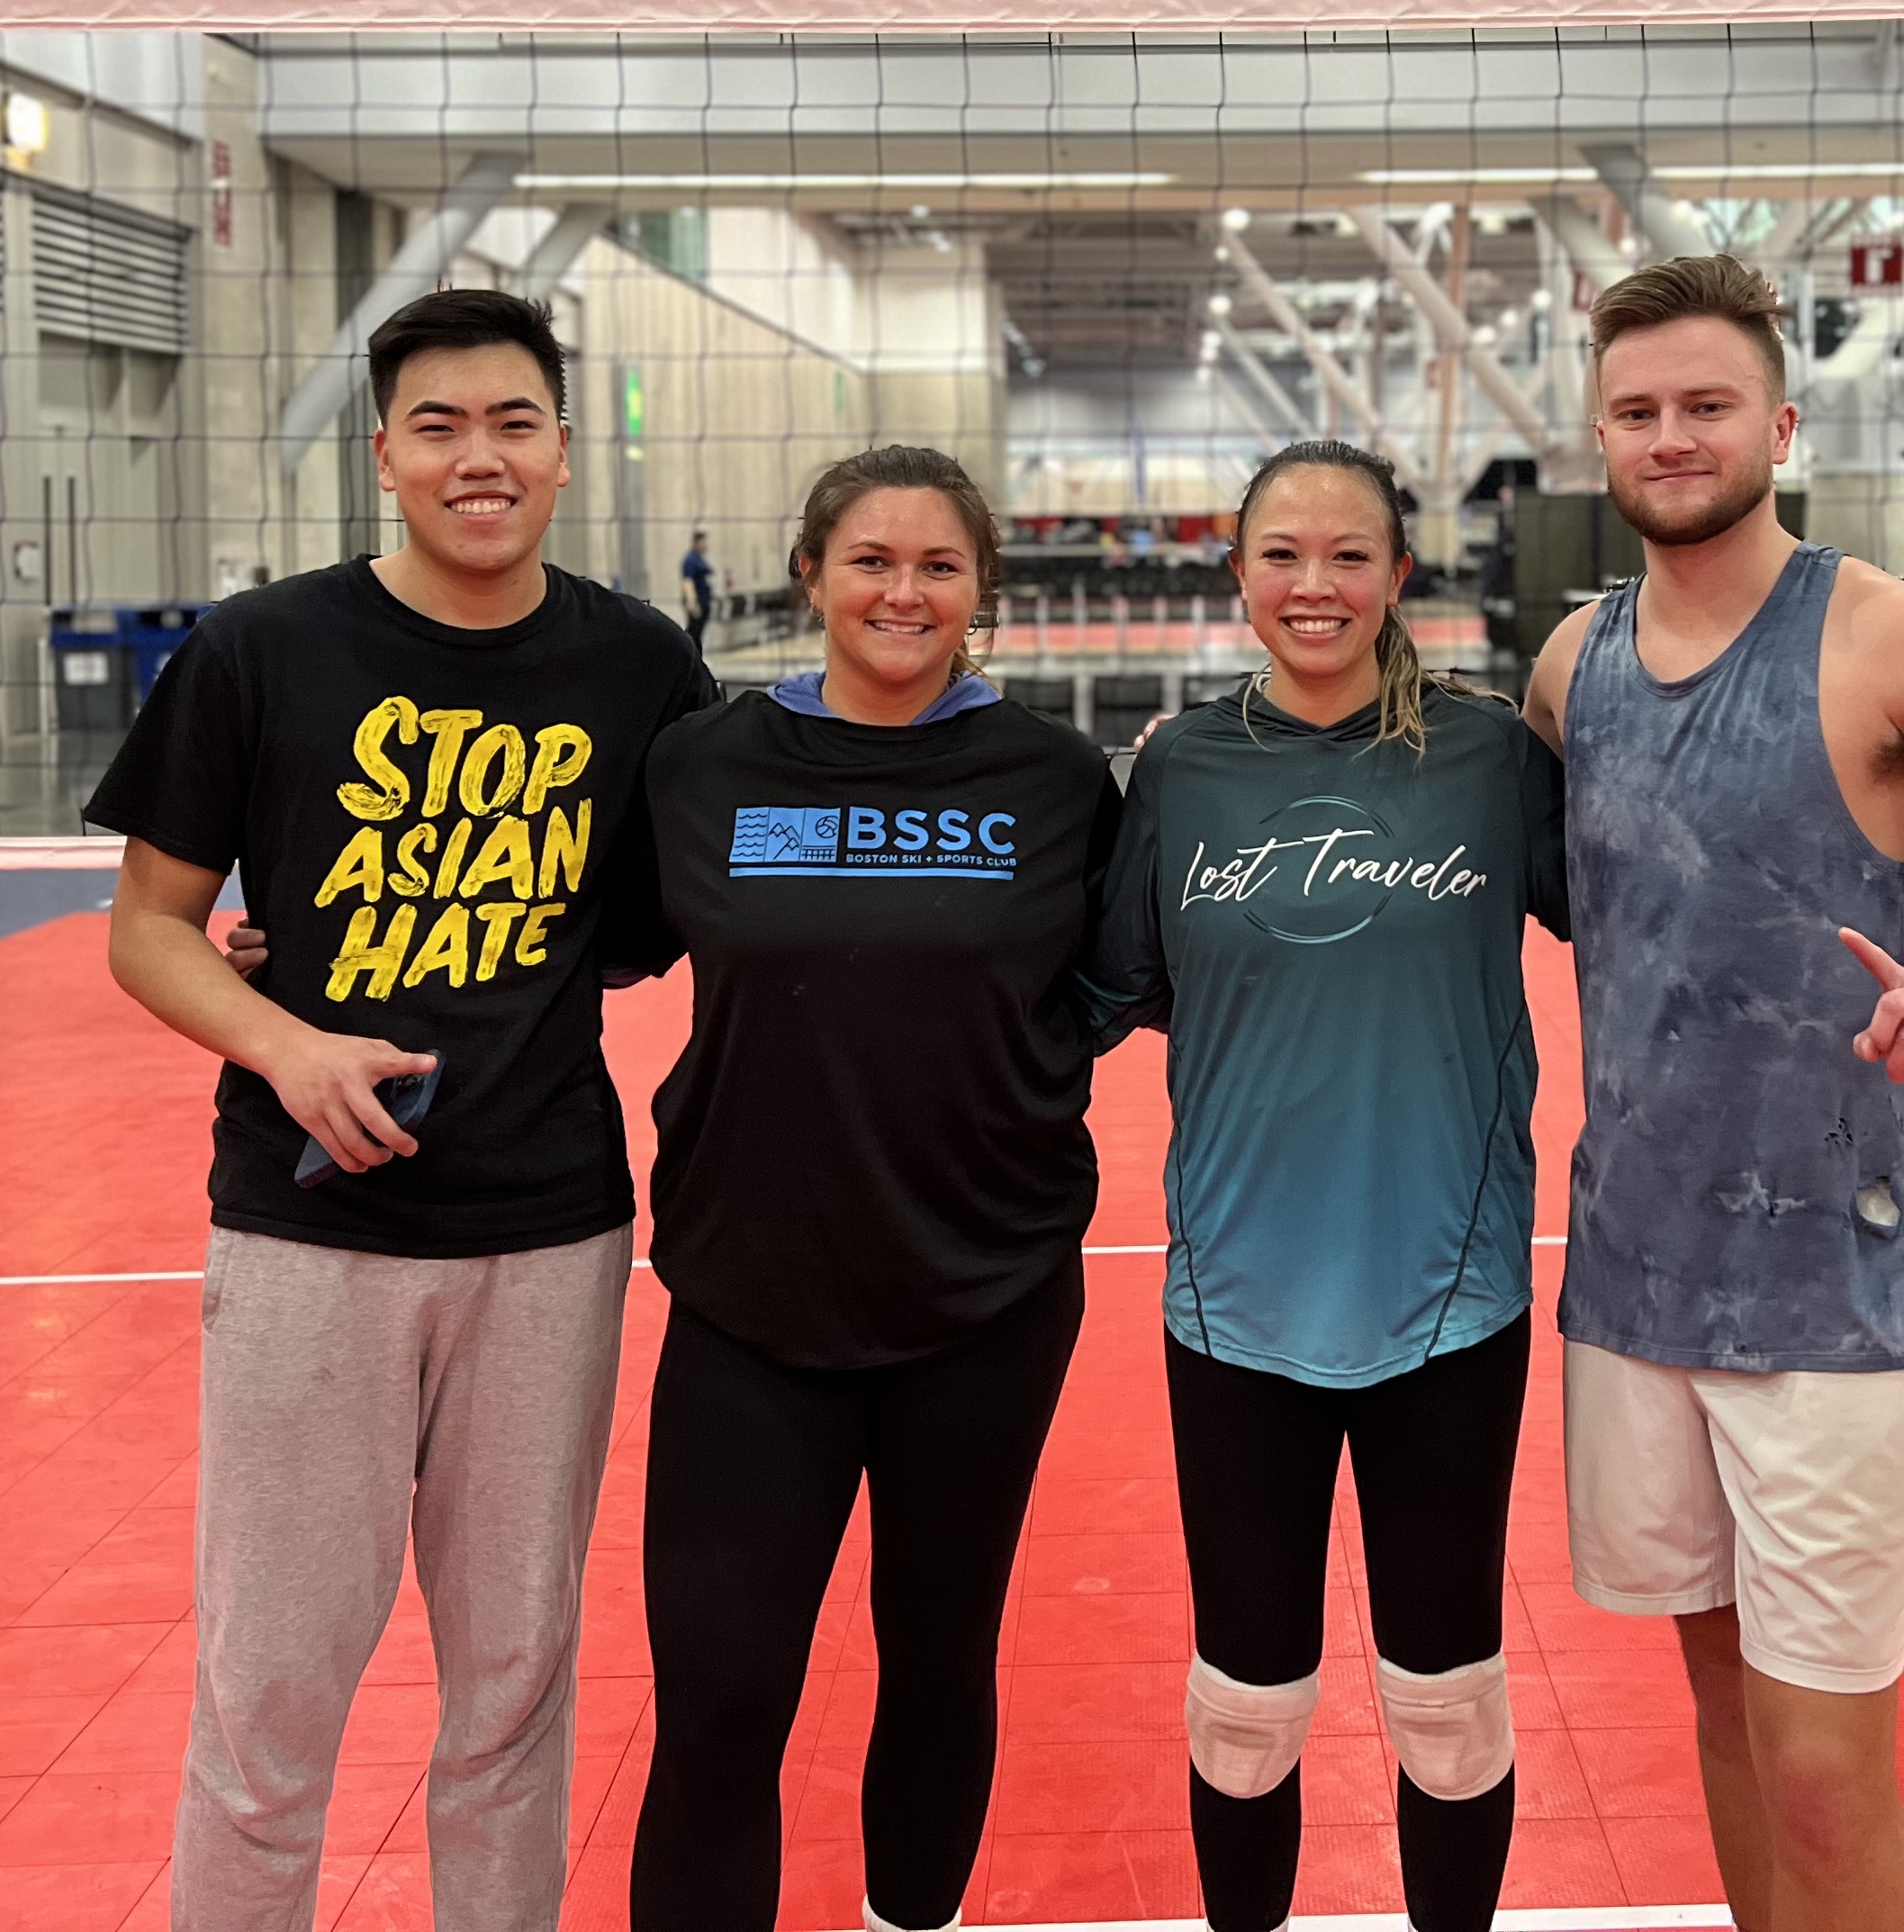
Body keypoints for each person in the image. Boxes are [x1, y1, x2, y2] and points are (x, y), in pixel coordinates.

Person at [90, 285, 710, 1932]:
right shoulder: (260, 649)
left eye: (512, 422)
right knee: (268, 1689)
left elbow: (656, 921)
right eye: (437, 426)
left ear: (562, 451)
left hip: (548, 1229)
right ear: (383, 456)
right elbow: (148, 927)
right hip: (309, 1229)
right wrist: (284, 1042)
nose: (476, 456)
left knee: (515, 1680)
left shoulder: (642, 663)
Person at [1524, 255, 1904, 1932]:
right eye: (1637, 410)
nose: (1672, 435)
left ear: (1778, 425)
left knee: (1819, 1769)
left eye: (1707, 404)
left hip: (1839, 1288)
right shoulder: (1571, 664)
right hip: (1636, 1278)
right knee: (1721, 1713)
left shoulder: (1892, 637)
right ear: (1599, 436)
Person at [630, 445, 1121, 1932]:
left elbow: (1144, 974)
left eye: (938, 566)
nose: (903, 593)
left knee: (938, 1656)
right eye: (871, 560)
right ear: (811, 575)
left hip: (985, 1294)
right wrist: (293, 948)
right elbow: (552, 927)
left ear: (980, 589)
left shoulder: (1055, 780)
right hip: (748, 1295)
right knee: (717, 1696)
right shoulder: (703, 764)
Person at [1090, 440, 1567, 1932]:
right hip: (1235, 1301)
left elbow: (1651, 914)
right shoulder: (1180, 767)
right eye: (1283, 554)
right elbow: (1108, 986)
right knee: (1244, 1709)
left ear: (1398, 575)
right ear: (1237, 572)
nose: (1316, 584)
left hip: (1449, 1298)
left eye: (1350, 554)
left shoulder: (1489, 757)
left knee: (1449, 1704)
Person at [681, 527, 717, 647]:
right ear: (697, 542)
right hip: (697, 603)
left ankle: (696, 655)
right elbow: (687, 581)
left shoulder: (701, 559)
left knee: (698, 634)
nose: (706, 545)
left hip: (704, 601)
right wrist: (692, 602)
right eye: (703, 542)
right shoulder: (691, 560)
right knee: (693, 633)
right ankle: (688, 655)